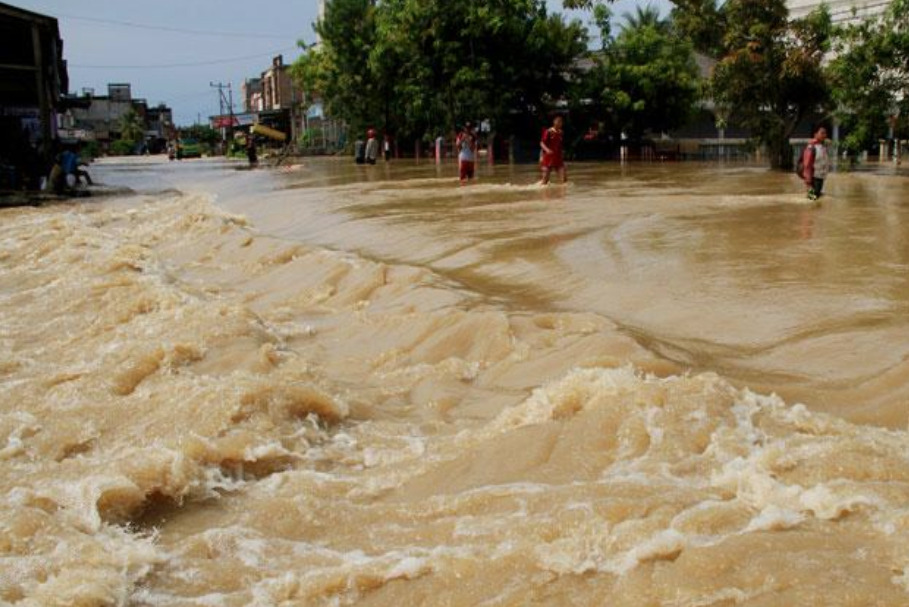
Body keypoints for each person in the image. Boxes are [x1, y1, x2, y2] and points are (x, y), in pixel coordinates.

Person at [801, 125, 831, 200]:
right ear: (815, 134)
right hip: (813, 178)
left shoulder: (822, 146)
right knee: (812, 199)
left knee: (816, 198)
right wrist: (808, 182)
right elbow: (807, 165)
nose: (825, 135)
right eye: (822, 133)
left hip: (820, 177)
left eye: (825, 133)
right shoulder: (811, 147)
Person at [540, 115, 567, 185]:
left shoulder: (561, 132)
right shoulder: (548, 132)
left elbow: (560, 144)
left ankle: (562, 193)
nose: (560, 123)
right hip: (548, 157)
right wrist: (547, 150)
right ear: (554, 122)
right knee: (545, 179)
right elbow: (542, 143)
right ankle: (543, 193)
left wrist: (562, 152)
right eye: (558, 121)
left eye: (561, 122)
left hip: (558, 157)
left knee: (564, 178)